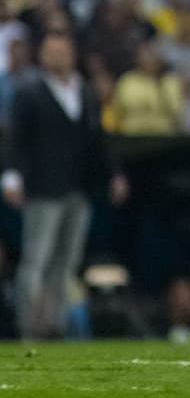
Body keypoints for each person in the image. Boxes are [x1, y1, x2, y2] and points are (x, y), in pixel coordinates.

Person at [2, 32, 128, 339]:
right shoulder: (29, 92)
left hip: (78, 186)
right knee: (36, 260)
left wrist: (113, 173)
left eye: (62, 51)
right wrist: (10, 176)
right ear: (42, 56)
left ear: (72, 53)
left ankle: (55, 326)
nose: (57, 57)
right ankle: (28, 326)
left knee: (67, 262)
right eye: (51, 52)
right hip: (44, 188)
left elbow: (98, 139)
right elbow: (16, 139)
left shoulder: (84, 91)